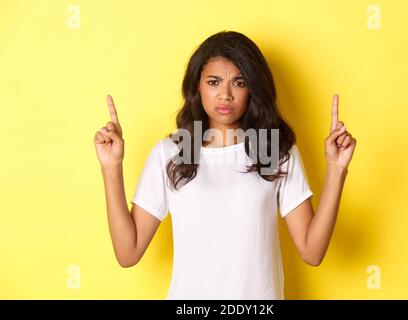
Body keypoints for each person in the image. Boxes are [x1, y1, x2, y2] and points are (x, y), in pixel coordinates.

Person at [93, 31, 357, 300]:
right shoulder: (170, 153)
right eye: (214, 82)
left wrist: (336, 170)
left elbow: (312, 252)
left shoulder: (275, 151)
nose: (225, 95)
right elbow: (128, 253)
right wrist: (111, 167)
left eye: (239, 82)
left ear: (253, 88)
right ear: (198, 86)